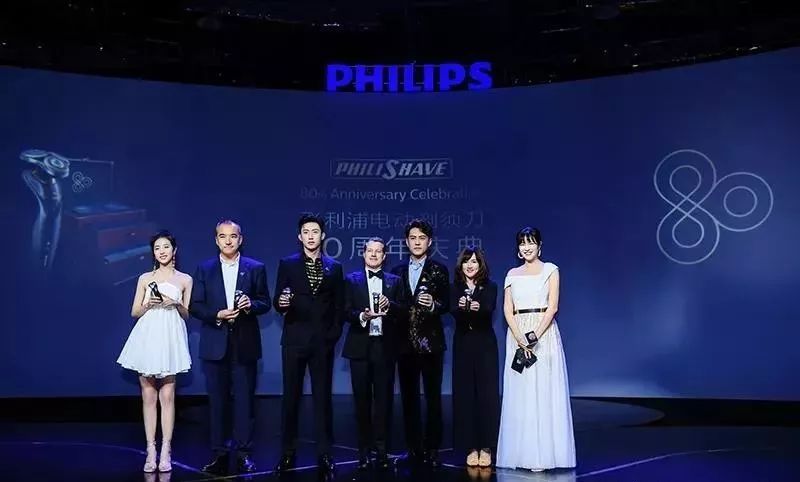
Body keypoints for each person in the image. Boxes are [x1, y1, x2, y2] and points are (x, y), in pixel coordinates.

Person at [189, 220, 271, 475]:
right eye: (223, 236)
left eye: (233, 236)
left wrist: (250, 305)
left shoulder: (255, 268)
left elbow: (265, 302)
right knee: (218, 403)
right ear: (216, 240)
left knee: (245, 403)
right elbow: (195, 305)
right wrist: (217, 314)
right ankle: (220, 454)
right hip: (215, 344)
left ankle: (245, 454)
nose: (228, 241)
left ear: (240, 239)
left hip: (244, 343)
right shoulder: (204, 269)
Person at [496, 227, 576, 471]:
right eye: (522, 243)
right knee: (520, 391)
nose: (527, 247)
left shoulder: (551, 270)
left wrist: (533, 337)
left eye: (531, 242)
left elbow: (553, 307)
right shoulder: (511, 274)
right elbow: (507, 309)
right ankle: (521, 453)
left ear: (539, 246)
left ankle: (544, 455)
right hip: (517, 334)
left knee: (543, 389)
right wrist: (519, 337)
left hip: (543, 333)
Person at [273, 214, 344, 474]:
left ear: (322, 236)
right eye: (306, 232)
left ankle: (325, 453)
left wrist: (332, 335)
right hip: (294, 340)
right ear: (299, 236)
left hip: (322, 343)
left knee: (322, 399)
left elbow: (339, 306)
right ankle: (287, 452)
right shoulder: (288, 264)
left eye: (315, 232)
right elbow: (278, 300)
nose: (311, 236)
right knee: (290, 398)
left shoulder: (334, 267)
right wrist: (282, 303)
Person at [117, 230, 193, 473]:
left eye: (166, 247)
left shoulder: (185, 279)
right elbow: (134, 312)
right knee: (148, 395)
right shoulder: (145, 278)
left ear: (174, 250)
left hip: (170, 338)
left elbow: (187, 314)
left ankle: (166, 450)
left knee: (167, 395)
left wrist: (176, 303)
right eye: (157, 248)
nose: (162, 251)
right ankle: (151, 449)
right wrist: (149, 303)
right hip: (148, 336)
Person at [390, 219, 450, 467]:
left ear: (429, 242)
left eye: (422, 238)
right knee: (409, 398)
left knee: (433, 398)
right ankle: (413, 448)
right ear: (406, 242)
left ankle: (433, 448)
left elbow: (447, 303)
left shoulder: (439, 270)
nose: (417, 242)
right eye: (413, 238)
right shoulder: (396, 271)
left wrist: (434, 305)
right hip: (404, 344)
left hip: (431, 343)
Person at [342, 237, 403, 470]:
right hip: (359, 347)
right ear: (363, 253)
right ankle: (363, 450)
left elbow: (403, 312)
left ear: (384, 256)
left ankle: (382, 449)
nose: (374, 254)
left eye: (379, 251)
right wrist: (362, 316)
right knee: (361, 401)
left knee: (384, 401)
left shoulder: (395, 281)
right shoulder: (351, 280)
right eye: (370, 251)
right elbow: (345, 311)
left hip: (385, 347)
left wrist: (391, 306)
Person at [450, 246, 500, 467]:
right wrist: (462, 308)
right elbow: (452, 310)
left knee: (487, 395)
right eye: (466, 261)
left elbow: (488, 309)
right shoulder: (454, 287)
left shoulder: (490, 286)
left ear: (481, 265)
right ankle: (470, 446)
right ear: (460, 265)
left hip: (485, 344)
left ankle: (487, 446)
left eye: (474, 261)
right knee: (465, 395)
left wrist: (477, 307)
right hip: (463, 344)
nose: (470, 265)